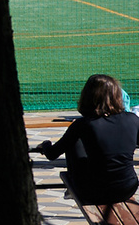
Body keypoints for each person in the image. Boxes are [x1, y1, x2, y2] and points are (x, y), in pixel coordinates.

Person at [38, 73, 139, 205]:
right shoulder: (132, 119)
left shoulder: (83, 124)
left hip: (94, 191)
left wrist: (45, 144)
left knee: (74, 142)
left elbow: (52, 154)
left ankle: (72, 187)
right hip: (128, 187)